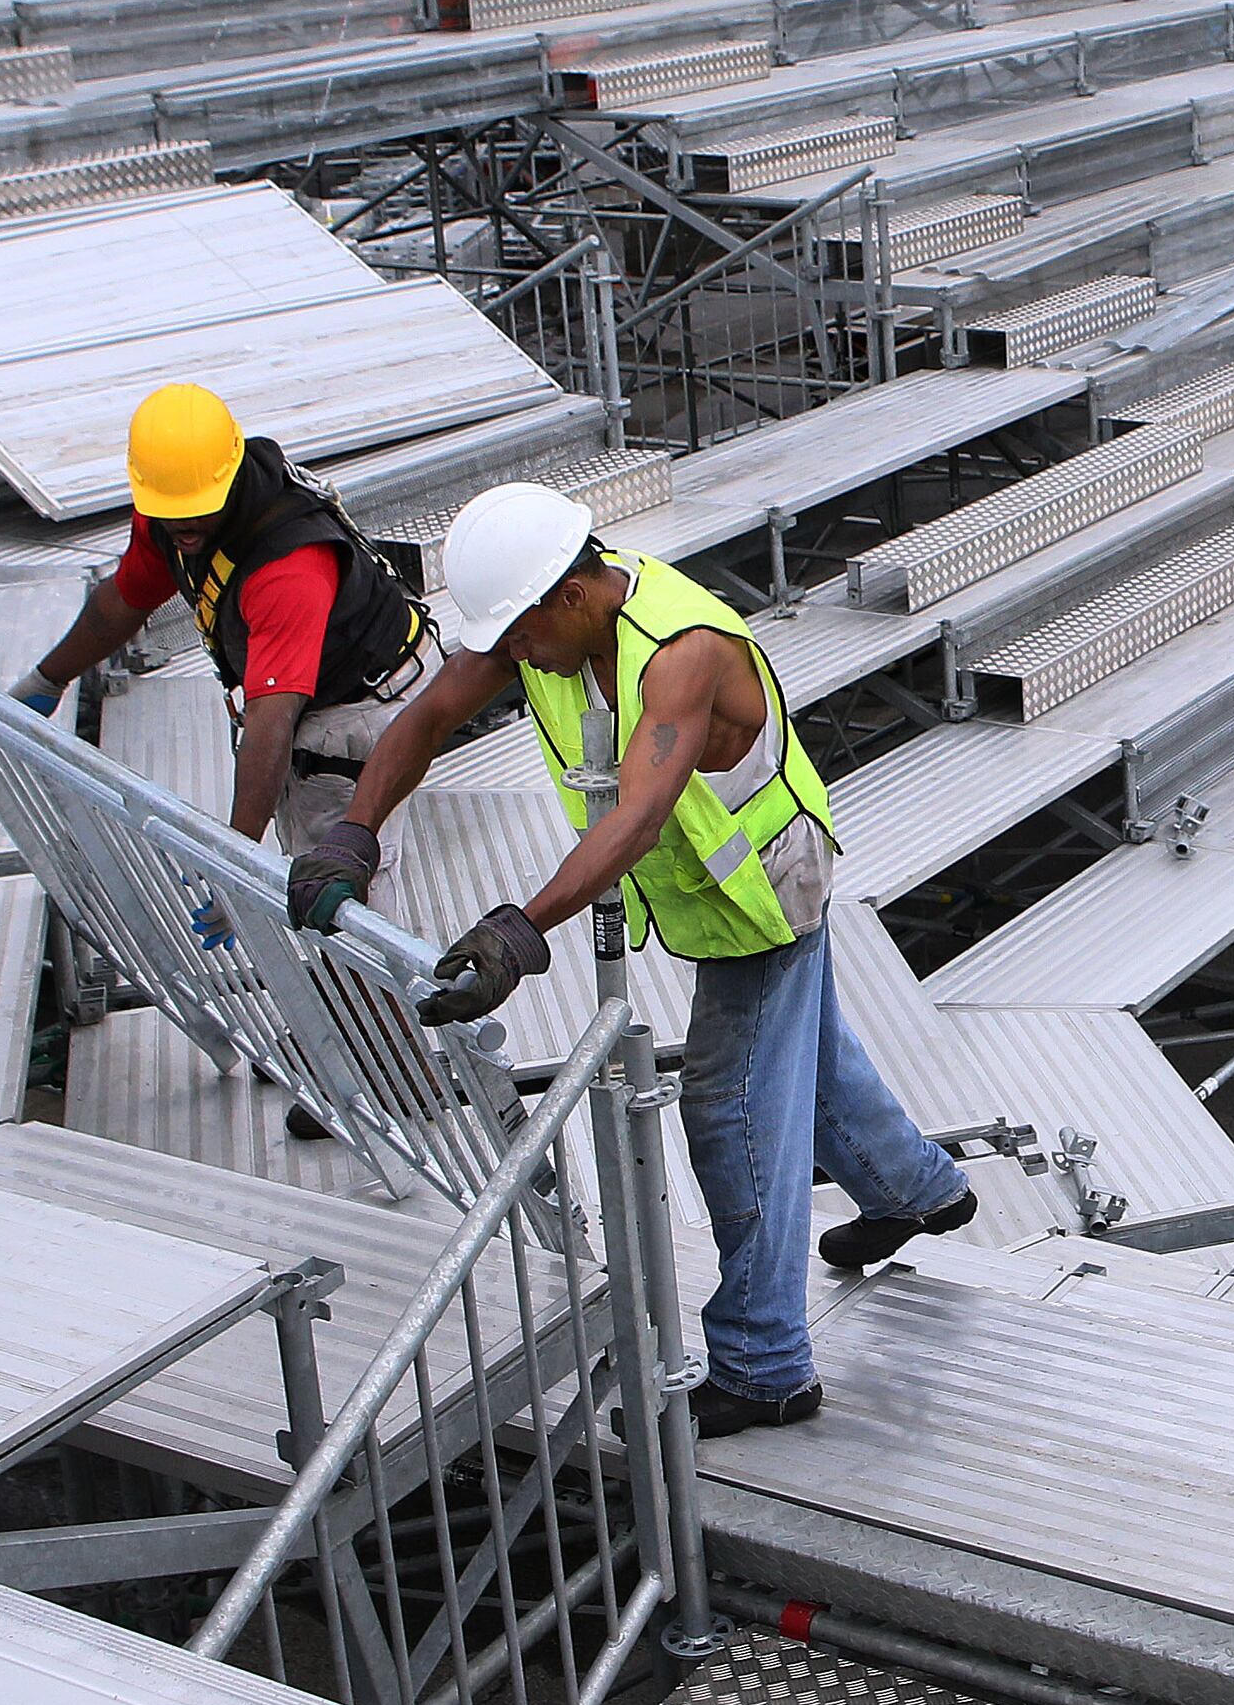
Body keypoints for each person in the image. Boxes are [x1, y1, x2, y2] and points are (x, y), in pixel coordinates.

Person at [288, 481, 974, 1437]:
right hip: (705, 888)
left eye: (519, 633)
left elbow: (642, 812)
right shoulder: (544, 626)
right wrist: (354, 831)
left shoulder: (677, 655)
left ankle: (765, 1363)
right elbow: (429, 716)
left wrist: (517, 932)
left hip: (764, 891)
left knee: (733, 1107)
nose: (510, 653)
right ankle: (918, 1191)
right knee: (802, 1061)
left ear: (572, 594)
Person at [10, 384, 431, 851]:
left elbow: (270, 720)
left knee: (330, 867)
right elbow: (122, 602)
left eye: (197, 511)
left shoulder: (289, 568)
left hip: (362, 702)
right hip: (306, 684)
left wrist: (233, 862)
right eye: (170, 512)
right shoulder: (168, 505)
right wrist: (46, 680)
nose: (183, 528)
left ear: (228, 479)